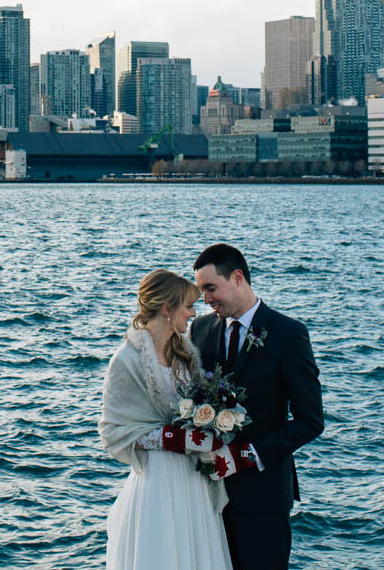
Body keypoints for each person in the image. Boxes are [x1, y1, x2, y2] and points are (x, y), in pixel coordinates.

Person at [191, 243, 324, 570]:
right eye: (200, 291)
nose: (205, 300)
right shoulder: (200, 329)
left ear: (237, 278)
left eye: (210, 288)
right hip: (204, 496)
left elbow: (310, 420)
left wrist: (245, 456)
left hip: (262, 498)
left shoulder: (288, 334)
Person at [99, 270, 235, 570]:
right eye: (187, 306)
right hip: (157, 480)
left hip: (193, 482)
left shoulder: (185, 357)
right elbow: (113, 431)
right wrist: (174, 438)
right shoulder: (126, 360)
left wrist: (211, 428)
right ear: (166, 308)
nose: (192, 313)